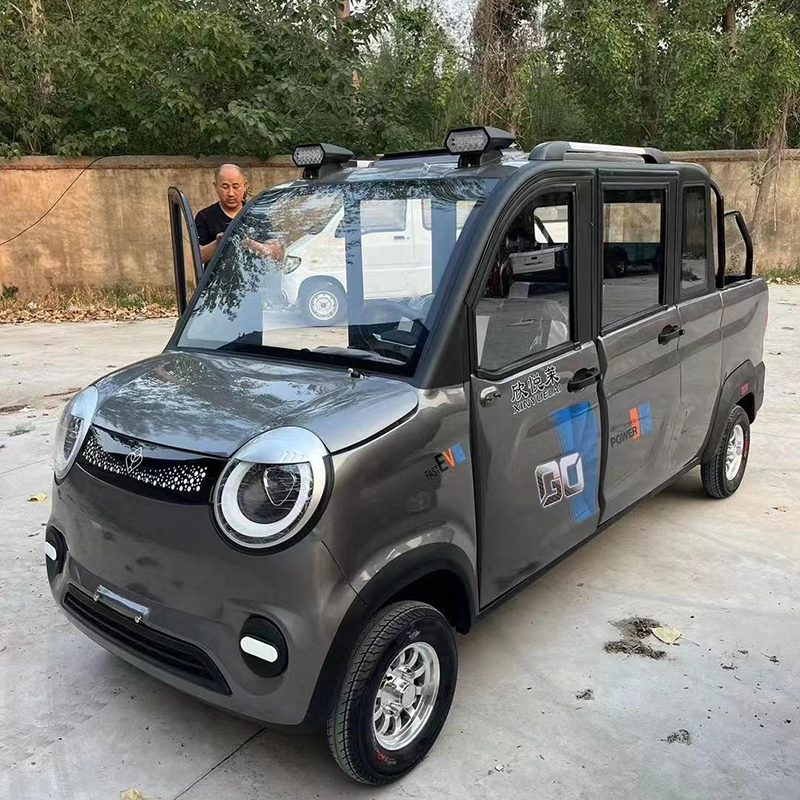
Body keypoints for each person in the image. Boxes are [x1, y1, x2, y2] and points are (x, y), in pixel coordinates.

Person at [195, 163, 249, 265]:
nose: (231, 193)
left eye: (236, 187)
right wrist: (218, 243)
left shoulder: (255, 213)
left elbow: (276, 253)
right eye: (225, 187)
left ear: (245, 186)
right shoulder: (205, 216)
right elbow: (198, 257)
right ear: (215, 187)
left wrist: (253, 245)